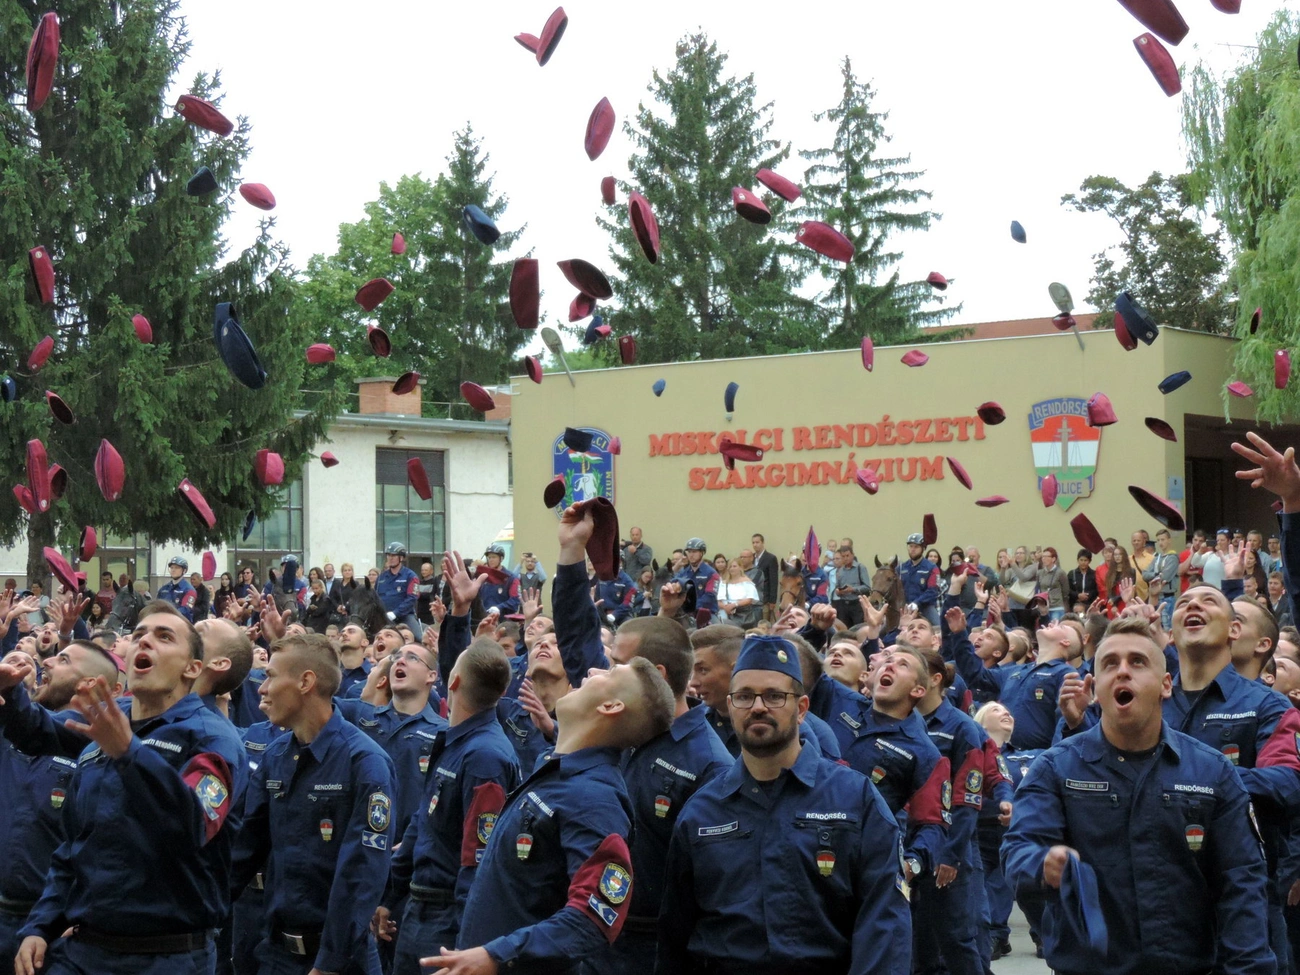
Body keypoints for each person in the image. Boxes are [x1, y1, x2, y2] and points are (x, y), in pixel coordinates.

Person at [1003, 617, 1274, 975]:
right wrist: (1042, 863)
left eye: (1138, 662)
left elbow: (1241, 882)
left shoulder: (1213, 772)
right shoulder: (1054, 768)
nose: (1122, 672)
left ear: (1165, 685)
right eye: (1110, 664)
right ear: (1096, 687)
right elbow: (1017, 850)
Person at [0, 601, 248, 975]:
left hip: (166, 957)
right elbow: (72, 848)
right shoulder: (103, 730)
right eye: (138, 635)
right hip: (83, 952)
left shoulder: (213, 739)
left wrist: (129, 755)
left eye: (164, 637)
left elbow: (195, 823)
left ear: (193, 668)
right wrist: (40, 925)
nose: (145, 641)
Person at [657, 633, 913, 975]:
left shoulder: (855, 799)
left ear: (802, 708)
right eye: (745, 696)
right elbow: (675, 934)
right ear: (730, 707)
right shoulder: (702, 810)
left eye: (775, 696)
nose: (758, 706)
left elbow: (885, 924)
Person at [432, 659, 674, 973]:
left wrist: (499, 956)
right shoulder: (560, 773)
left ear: (611, 706)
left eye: (609, 673)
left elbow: (593, 920)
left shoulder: (595, 800)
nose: (591, 670)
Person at [232, 633, 396, 975]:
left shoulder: (364, 762)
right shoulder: (276, 756)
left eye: (272, 676)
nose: (261, 689)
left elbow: (361, 873)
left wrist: (330, 964)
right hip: (277, 953)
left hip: (338, 960)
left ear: (306, 681)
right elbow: (243, 852)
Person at [585, 614, 732, 975]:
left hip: (650, 950)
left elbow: (713, 887)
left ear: (657, 677)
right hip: (594, 933)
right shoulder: (619, 730)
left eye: (617, 665)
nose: (605, 675)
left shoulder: (710, 765)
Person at [378, 639, 521, 975]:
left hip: (448, 922)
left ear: (451, 682)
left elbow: (479, 860)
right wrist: (388, 895)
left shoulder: (485, 756)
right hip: (417, 908)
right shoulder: (454, 741)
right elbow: (421, 825)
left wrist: (466, 945)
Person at [0, 641, 123, 971]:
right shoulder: (13, 728)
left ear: (97, 685)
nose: (48, 662)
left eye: (64, 659)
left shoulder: (101, 744)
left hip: (53, 926)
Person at [948, 606, 1074, 750]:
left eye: (1061, 627)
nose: (1052, 623)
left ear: (1065, 642)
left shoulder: (1066, 673)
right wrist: (959, 634)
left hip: (1037, 758)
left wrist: (1054, 758)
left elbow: (1065, 720)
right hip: (1004, 753)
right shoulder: (1012, 671)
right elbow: (975, 673)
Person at [377, 542, 422, 640]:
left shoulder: (411, 576)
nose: (390, 558)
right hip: (383, 617)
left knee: (418, 638)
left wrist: (395, 613)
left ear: (401, 558)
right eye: (388, 555)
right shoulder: (381, 577)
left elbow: (412, 598)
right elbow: (376, 598)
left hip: (404, 616)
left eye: (393, 555)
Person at [674, 538, 719, 623]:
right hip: (685, 613)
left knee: (717, 632)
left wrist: (691, 606)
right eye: (689, 552)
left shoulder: (712, 573)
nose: (691, 555)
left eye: (694, 552)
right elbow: (671, 586)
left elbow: (710, 596)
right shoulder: (682, 573)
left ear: (702, 553)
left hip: (706, 613)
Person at [900, 534, 939, 627]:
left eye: (916, 547)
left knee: (938, 628)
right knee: (883, 630)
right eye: (910, 546)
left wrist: (917, 603)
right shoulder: (901, 568)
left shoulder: (932, 567)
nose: (913, 549)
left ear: (923, 548)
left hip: (925, 607)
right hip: (904, 608)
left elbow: (933, 591)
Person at [830, 546, 870, 628]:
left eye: (847, 556)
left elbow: (867, 587)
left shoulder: (860, 568)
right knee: (843, 629)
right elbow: (838, 586)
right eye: (843, 556)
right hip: (843, 605)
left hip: (856, 604)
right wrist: (838, 592)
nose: (845, 558)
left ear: (852, 555)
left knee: (858, 629)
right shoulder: (841, 570)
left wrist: (853, 589)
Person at [477, 545, 520, 618]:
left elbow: (515, 601)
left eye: (494, 557)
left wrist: (499, 607)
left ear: (501, 559)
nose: (491, 560)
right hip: (483, 618)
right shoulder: (483, 577)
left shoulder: (511, 578)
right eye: (489, 557)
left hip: (502, 619)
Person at [717, 559, 760, 628]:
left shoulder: (747, 582)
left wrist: (734, 605)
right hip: (725, 614)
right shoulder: (723, 583)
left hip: (742, 615)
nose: (732, 568)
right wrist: (725, 608)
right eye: (730, 567)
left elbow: (749, 600)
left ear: (740, 567)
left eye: (734, 566)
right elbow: (718, 601)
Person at [750, 533, 780, 622]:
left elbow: (773, 580)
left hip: (765, 598)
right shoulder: (751, 558)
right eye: (753, 543)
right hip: (752, 598)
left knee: (764, 622)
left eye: (757, 542)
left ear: (762, 543)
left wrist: (772, 601)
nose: (755, 545)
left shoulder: (770, 558)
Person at [158, 556, 197, 621]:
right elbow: (157, 606)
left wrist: (167, 615)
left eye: (177, 568)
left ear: (184, 570)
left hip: (181, 624)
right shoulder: (164, 589)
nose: (173, 570)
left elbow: (185, 610)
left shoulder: (189, 590)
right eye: (172, 567)